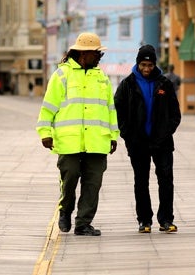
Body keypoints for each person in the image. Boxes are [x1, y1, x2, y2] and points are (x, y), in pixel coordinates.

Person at [36, 32, 119, 236]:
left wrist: (113, 135)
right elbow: (48, 108)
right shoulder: (61, 75)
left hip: (97, 141)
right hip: (69, 141)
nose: (99, 57)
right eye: (96, 53)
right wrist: (45, 133)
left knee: (93, 184)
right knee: (70, 177)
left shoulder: (101, 78)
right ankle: (65, 209)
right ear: (84, 53)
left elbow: (110, 109)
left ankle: (83, 223)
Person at [114, 45, 181, 233]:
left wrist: (166, 132)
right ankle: (144, 220)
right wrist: (128, 135)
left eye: (150, 65)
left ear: (154, 64)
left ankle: (166, 219)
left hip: (163, 143)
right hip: (138, 143)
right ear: (138, 63)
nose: (146, 69)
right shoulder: (127, 85)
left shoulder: (164, 84)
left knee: (166, 180)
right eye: (143, 64)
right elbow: (118, 112)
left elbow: (175, 113)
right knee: (141, 181)